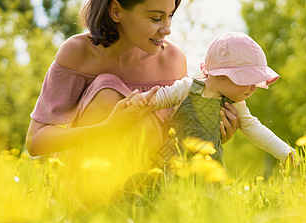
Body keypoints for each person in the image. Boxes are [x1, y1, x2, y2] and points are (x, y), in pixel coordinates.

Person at [25, 0, 239, 161]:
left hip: (147, 179)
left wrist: (213, 135)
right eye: (156, 18)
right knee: (107, 89)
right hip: (87, 173)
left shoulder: (173, 61)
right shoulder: (78, 53)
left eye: (170, 15)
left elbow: (176, 141)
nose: (167, 28)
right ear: (116, 10)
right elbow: (36, 142)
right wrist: (106, 129)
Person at [125, 32, 295, 166]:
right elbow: (159, 98)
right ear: (221, 75)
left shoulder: (236, 105)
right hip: (172, 160)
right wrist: (140, 100)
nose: (253, 87)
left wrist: (286, 153)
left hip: (210, 168)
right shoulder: (187, 88)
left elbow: (257, 130)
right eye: (247, 80)